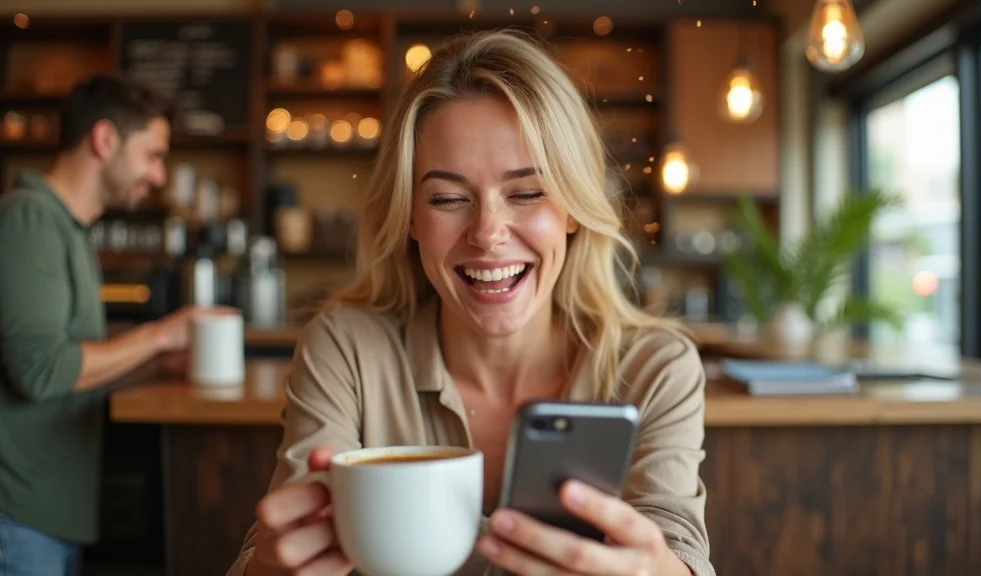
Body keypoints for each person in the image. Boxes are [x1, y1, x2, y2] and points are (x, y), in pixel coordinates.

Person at [230, 29, 713, 576]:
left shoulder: (654, 369)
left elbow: (680, 550)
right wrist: (270, 567)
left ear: (574, 208)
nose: (487, 233)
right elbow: (276, 547)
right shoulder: (348, 350)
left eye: (526, 193)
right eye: (448, 198)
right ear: (411, 216)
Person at [0, 74, 204, 575]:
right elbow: (40, 370)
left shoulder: (69, 228)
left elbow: (75, 372)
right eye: (152, 155)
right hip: (18, 515)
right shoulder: (29, 218)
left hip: (48, 513)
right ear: (105, 139)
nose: (159, 176)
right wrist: (160, 334)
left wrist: (155, 365)